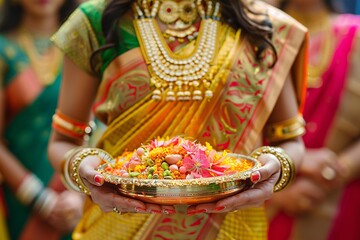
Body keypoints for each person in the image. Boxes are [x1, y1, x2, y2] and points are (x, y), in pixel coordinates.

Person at [48, 0, 308, 239]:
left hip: (230, 227)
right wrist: (85, 172)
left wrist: (276, 168)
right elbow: (62, 141)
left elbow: (291, 142)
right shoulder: (96, 22)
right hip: (121, 226)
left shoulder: (262, 25)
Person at [266, 0, 360, 239]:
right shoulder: (256, 33)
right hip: (263, 194)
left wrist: (331, 174)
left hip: (339, 199)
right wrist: (277, 191)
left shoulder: (355, 35)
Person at [0, 0, 85, 239]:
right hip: (23, 198)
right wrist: (41, 199)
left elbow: (100, 124)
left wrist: (80, 193)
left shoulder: (84, 45)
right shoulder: (3, 51)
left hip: (82, 193)